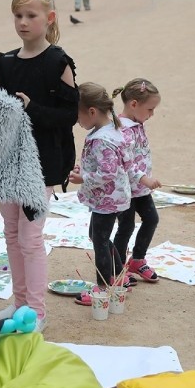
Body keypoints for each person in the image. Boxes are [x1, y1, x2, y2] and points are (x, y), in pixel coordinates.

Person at [0, 0, 79, 333]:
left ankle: (37, 313)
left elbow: (69, 116)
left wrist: (32, 109)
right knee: (11, 234)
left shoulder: (59, 62)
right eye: (18, 15)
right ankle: (21, 303)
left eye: (31, 15)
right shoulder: (6, 63)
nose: (23, 22)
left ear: (49, 18)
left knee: (30, 238)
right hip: (8, 162)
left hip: (40, 164)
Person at [68, 83, 132, 306]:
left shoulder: (102, 139)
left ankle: (104, 288)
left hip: (107, 199)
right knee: (98, 236)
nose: (77, 121)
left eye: (78, 116)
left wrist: (83, 178)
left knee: (100, 241)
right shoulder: (110, 130)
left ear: (92, 111)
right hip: (112, 197)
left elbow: (107, 172)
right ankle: (119, 277)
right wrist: (84, 171)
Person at [112, 78, 163, 283]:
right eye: (150, 109)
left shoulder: (137, 123)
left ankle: (137, 260)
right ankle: (116, 270)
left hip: (140, 188)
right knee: (126, 227)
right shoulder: (121, 129)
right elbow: (125, 163)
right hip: (126, 189)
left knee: (151, 219)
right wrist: (145, 179)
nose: (152, 114)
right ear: (134, 104)